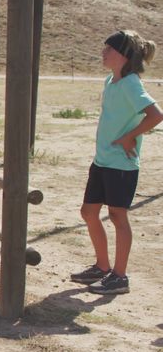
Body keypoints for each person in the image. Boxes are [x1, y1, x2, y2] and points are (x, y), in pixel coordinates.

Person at [69, 30, 162, 295]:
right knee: (88, 213)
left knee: (117, 216)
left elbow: (156, 115)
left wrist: (129, 137)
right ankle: (101, 266)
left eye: (108, 48)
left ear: (123, 55)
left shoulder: (132, 83)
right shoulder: (111, 81)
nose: (103, 52)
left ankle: (119, 277)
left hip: (121, 165)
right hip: (102, 161)